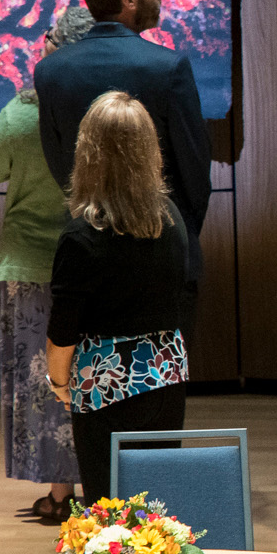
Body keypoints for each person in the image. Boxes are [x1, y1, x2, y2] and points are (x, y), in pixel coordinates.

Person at [50, 93, 199, 507]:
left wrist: (59, 385)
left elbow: (63, 331)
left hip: (103, 386)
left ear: (87, 153)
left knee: (108, 517)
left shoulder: (80, 236)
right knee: (159, 516)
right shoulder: (171, 220)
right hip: (165, 377)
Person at [0, 7, 94, 525]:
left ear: (51, 50)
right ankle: (101, 482)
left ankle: (59, 490)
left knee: (40, 380)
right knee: (89, 375)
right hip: (90, 263)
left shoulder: (24, 112)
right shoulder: (100, 114)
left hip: (27, 266)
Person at [35, 0, 211, 280]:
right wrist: (180, 234)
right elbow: (195, 172)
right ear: (129, 0)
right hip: (163, 252)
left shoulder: (50, 71)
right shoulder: (169, 68)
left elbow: (60, 166)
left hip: (88, 255)